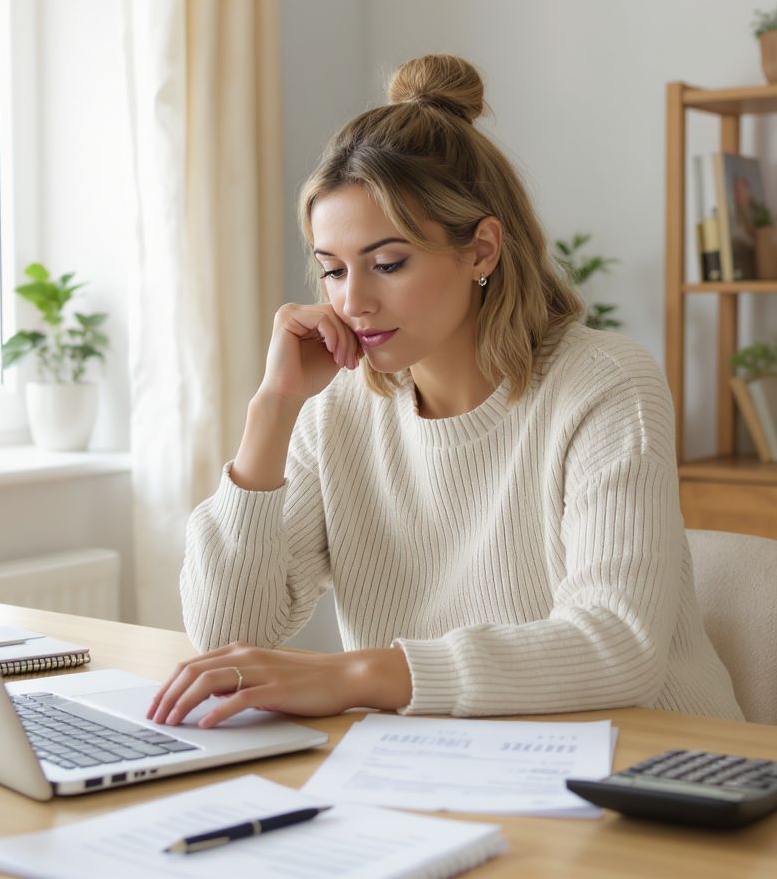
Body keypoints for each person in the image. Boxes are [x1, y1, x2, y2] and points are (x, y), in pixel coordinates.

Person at [148, 54, 743, 730]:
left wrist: (354, 675)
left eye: (389, 263)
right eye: (333, 270)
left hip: (651, 767)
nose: (354, 300)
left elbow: (616, 647)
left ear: (482, 250)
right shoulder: (338, 414)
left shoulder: (604, 385)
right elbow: (230, 638)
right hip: (446, 765)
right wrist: (273, 411)